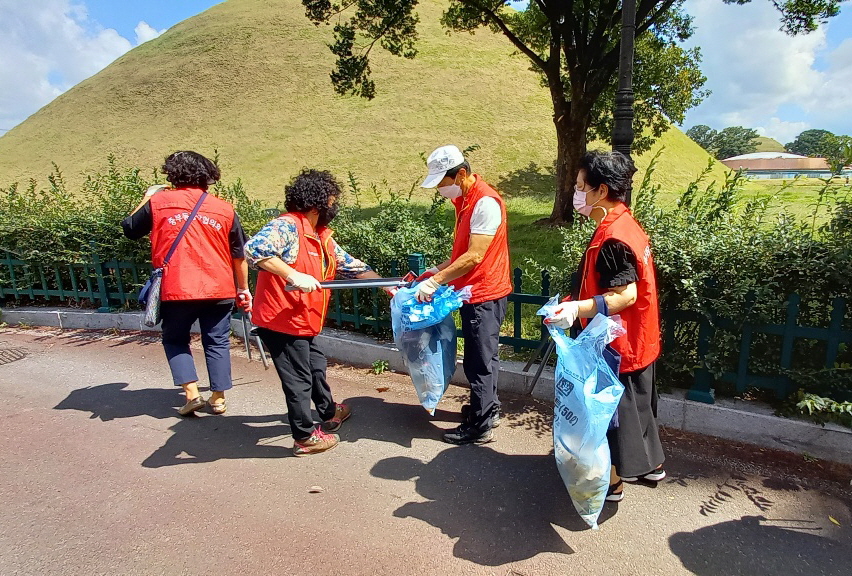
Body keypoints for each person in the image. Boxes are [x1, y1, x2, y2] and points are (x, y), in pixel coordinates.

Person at [545, 150, 665, 503]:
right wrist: (573, 298)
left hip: (619, 344)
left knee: (614, 418)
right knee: (640, 409)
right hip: (637, 338)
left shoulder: (614, 236)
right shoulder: (623, 222)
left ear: (600, 191)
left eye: (581, 186)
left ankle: (612, 482)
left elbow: (624, 295)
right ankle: (652, 465)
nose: (576, 193)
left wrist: (577, 309)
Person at [244, 169, 384, 457]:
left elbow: (350, 265)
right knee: (298, 378)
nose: (335, 206)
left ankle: (330, 410)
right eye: (333, 200)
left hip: (304, 320)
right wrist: (292, 274)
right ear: (322, 201)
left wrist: (388, 287)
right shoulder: (287, 227)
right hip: (281, 320)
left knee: (316, 363)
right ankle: (305, 437)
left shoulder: (321, 237)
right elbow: (254, 249)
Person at [122, 151, 251, 416]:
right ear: (207, 176)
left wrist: (147, 197)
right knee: (217, 341)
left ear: (172, 174)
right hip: (219, 286)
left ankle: (192, 393)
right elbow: (239, 254)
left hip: (177, 286)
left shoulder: (159, 202)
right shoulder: (224, 208)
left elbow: (130, 228)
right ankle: (218, 398)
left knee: (175, 339)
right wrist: (243, 289)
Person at [417, 145, 512, 445]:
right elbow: (462, 254)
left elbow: (475, 256)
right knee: (483, 357)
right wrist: (437, 270)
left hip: (485, 292)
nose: (441, 191)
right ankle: (488, 408)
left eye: (442, 183)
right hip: (476, 290)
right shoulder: (466, 200)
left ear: (460, 174)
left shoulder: (484, 203)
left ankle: (480, 425)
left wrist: (436, 282)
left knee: (479, 361)